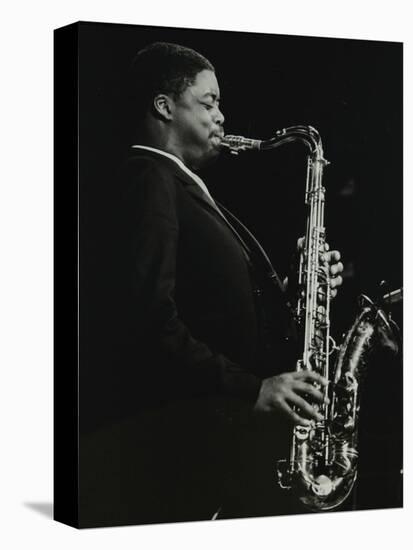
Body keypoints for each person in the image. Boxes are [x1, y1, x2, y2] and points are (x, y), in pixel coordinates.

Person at [81, 41, 344, 527]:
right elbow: (147, 321)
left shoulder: (178, 184)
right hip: (185, 445)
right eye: (208, 102)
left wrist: (300, 290)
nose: (222, 117)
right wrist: (251, 390)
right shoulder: (149, 178)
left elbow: (211, 307)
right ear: (164, 107)